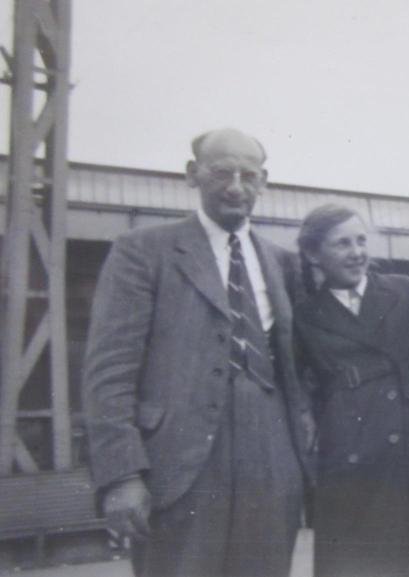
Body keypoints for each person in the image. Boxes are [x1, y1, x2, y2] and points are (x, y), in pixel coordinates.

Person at [82, 128, 314, 577]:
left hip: (271, 461)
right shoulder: (143, 251)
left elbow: (299, 368)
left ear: (263, 182)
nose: (235, 186)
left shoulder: (284, 262)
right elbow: (109, 370)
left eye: (248, 175)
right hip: (178, 464)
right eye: (221, 172)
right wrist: (121, 475)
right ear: (193, 175)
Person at [294, 204, 409, 577]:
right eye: (341, 244)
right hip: (349, 453)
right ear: (313, 254)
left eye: (361, 240)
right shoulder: (304, 315)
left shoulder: (405, 291)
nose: (357, 252)